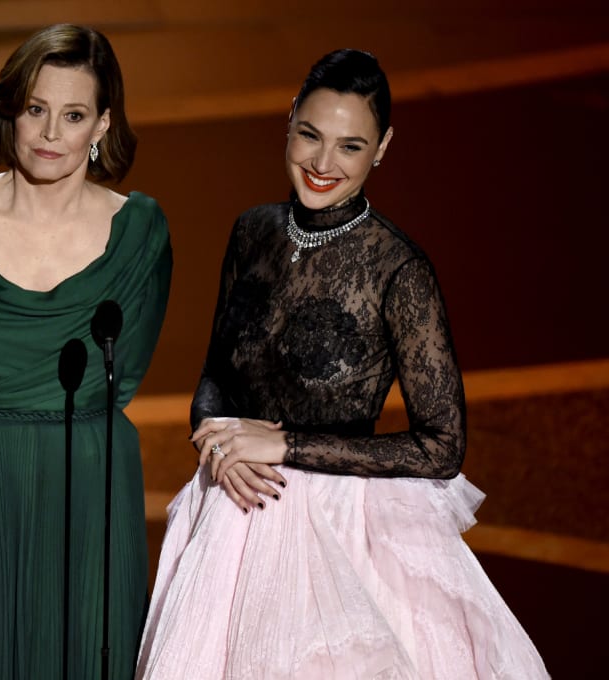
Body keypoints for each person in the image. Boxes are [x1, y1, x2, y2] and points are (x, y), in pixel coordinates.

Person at [136, 50, 548, 679]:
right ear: (290, 120)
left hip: (340, 531)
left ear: (381, 148)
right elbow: (218, 371)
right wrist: (216, 440)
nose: (323, 164)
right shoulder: (253, 231)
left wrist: (283, 446)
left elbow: (441, 448)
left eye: (350, 147)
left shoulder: (399, 272)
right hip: (233, 510)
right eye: (310, 136)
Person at [0, 24, 172, 680]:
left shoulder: (140, 235)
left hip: (94, 490)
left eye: (73, 115)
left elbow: (123, 377)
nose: (52, 134)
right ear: (11, 113)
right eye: (36, 109)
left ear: (102, 125)